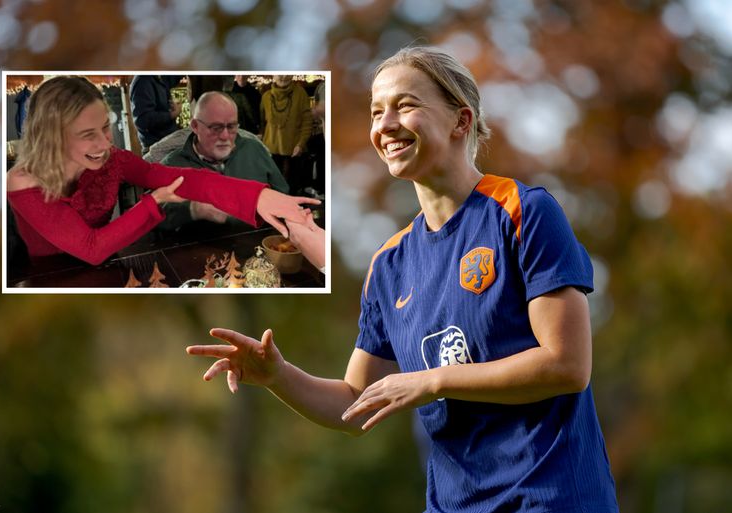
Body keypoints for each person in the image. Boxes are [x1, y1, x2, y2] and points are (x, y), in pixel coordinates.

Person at [187, 47, 618, 513]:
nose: (385, 124)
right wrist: (278, 376)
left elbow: (567, 366)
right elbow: (356, 402)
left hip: (552, 500)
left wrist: (433, 381)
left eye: (405, 105)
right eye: (376, 111)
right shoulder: (389, 265)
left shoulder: (523, 212)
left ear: (460, 120)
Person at [7, 76, 318, 266]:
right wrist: (153, 203)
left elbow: (183, 178)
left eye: (106, 128)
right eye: (88, 134)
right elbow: (91, 248)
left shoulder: (113, 158)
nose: (105, 143)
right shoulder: (21, 182)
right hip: (48, 281)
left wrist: (258, 197)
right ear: (52, 135)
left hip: (109, 265)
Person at [158, 91, 289, 230]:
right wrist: (193, 209)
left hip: (257, 244)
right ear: (195, 126)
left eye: (231, 127)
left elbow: (283, 195)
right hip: (201, 248)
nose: (225, 136)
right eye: (216, 128)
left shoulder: (254, 149)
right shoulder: (172, 165)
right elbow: (152, 216)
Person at [259, 75, 312, 193]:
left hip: (294, 150)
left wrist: (301, 144)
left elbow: (307, 122)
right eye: (280, 73)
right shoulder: (266, 97)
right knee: (273, 188)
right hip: (271, 150)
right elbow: (262, 124)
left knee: (292, 188)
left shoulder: (300, 93)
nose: (283, 76)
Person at [129, 75, 182, 152]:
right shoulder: (143, 80)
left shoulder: (157, 77)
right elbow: (143, 120)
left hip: (166, 143)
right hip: (157, 148)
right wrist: (172, 114)